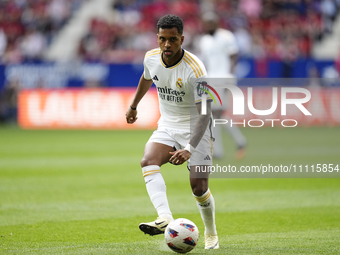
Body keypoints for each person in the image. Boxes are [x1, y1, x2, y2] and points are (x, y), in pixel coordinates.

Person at [125, 14, 219, 250]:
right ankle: (165, 217)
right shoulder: (151, 58)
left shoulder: (195, 70)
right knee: (148, 161)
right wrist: (133, 105)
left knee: (199, 188)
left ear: (182, 39)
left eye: (173, 39)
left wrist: (189, 148)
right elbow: (147, 78)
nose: (167, 45)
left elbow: (206, 113)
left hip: (196, 127)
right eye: (162, 39)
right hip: (167, 124)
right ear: (157, 38)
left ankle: (211, 233)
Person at [199, 11, 247, 160]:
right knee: (215, 115)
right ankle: (239, 141)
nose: (209, 26)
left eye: (211, 23)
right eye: (207, 24)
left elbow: (234, 56)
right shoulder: (204, 40)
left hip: (224, 78)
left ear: (217, 23)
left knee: (216, 113)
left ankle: (219, 150)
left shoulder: (226, 36)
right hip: (211, 80)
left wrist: (230, 78)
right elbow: (205, 62)